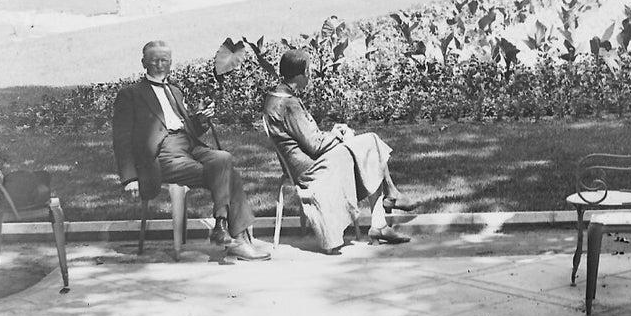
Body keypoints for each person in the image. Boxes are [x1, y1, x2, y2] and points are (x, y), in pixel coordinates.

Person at [112, 40, 272, 260]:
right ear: (143, 63)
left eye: (164, 60)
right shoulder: (130, 94)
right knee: (229, 173)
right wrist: (129, 178)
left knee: (223, 158)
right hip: (161, 156)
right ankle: (234, 236)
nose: (160, 65)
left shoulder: (175, 91)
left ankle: (224, 227)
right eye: (154, 60)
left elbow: (190, 130)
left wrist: (201, 120)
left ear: (171, 63)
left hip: (189, 147)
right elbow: (121, 138)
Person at [262, 49, 415, 253]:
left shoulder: (275, 97)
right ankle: (386, 206)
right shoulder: (289, 104)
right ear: (299, 74)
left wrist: (334, 134)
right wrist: (336, 134)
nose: (310, 74)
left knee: (366, 146)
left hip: (305, 160)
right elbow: (314, 145)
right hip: (310, 167)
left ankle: (382, 218)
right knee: (368, 143)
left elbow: (305, 137)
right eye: (308, 70)